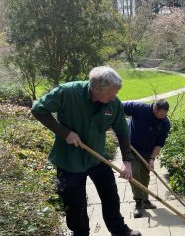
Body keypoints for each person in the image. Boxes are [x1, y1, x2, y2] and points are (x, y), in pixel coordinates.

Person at [31, 66, 141, 236]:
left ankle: (119, 230)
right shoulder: (67, 93)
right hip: (69, 161)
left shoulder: (114, 104)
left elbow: (122, 131)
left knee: (111, 195)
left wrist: (126, 161)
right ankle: (81, 233)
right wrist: (64, 133)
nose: (114, 98)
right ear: (96, 88)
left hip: (97, 158)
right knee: (75, 204)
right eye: (111, 94)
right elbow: (38, 109)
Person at [122, 99, 171, 218]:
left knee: (145, 176)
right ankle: (138, 203)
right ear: (154, 109)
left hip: (148, 151)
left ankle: (145, 200)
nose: (162, 118)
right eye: (160, 116)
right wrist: (116, 124)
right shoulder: (138, 108)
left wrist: (152, 158)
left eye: (164, 116)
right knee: (134, 172)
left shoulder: (165, 123)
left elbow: (159, 143)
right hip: (131, 148)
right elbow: (117, 107)